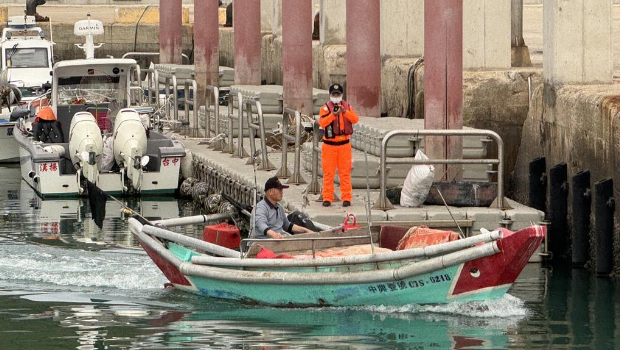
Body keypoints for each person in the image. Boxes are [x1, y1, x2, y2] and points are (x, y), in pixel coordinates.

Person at [318, 83, 359, 207]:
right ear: (330, 95)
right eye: (334, 94)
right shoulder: (324, 108)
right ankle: (327, 197)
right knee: (328, 173)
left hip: (344, 145)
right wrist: (333, 115)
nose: (336, 96)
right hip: (329, 145)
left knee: (345, 173)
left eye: (338, 94)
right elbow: (322, 122)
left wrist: (344, 112)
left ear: (342, 95)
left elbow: (355, 119)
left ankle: (346, 198)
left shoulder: (347, 107)